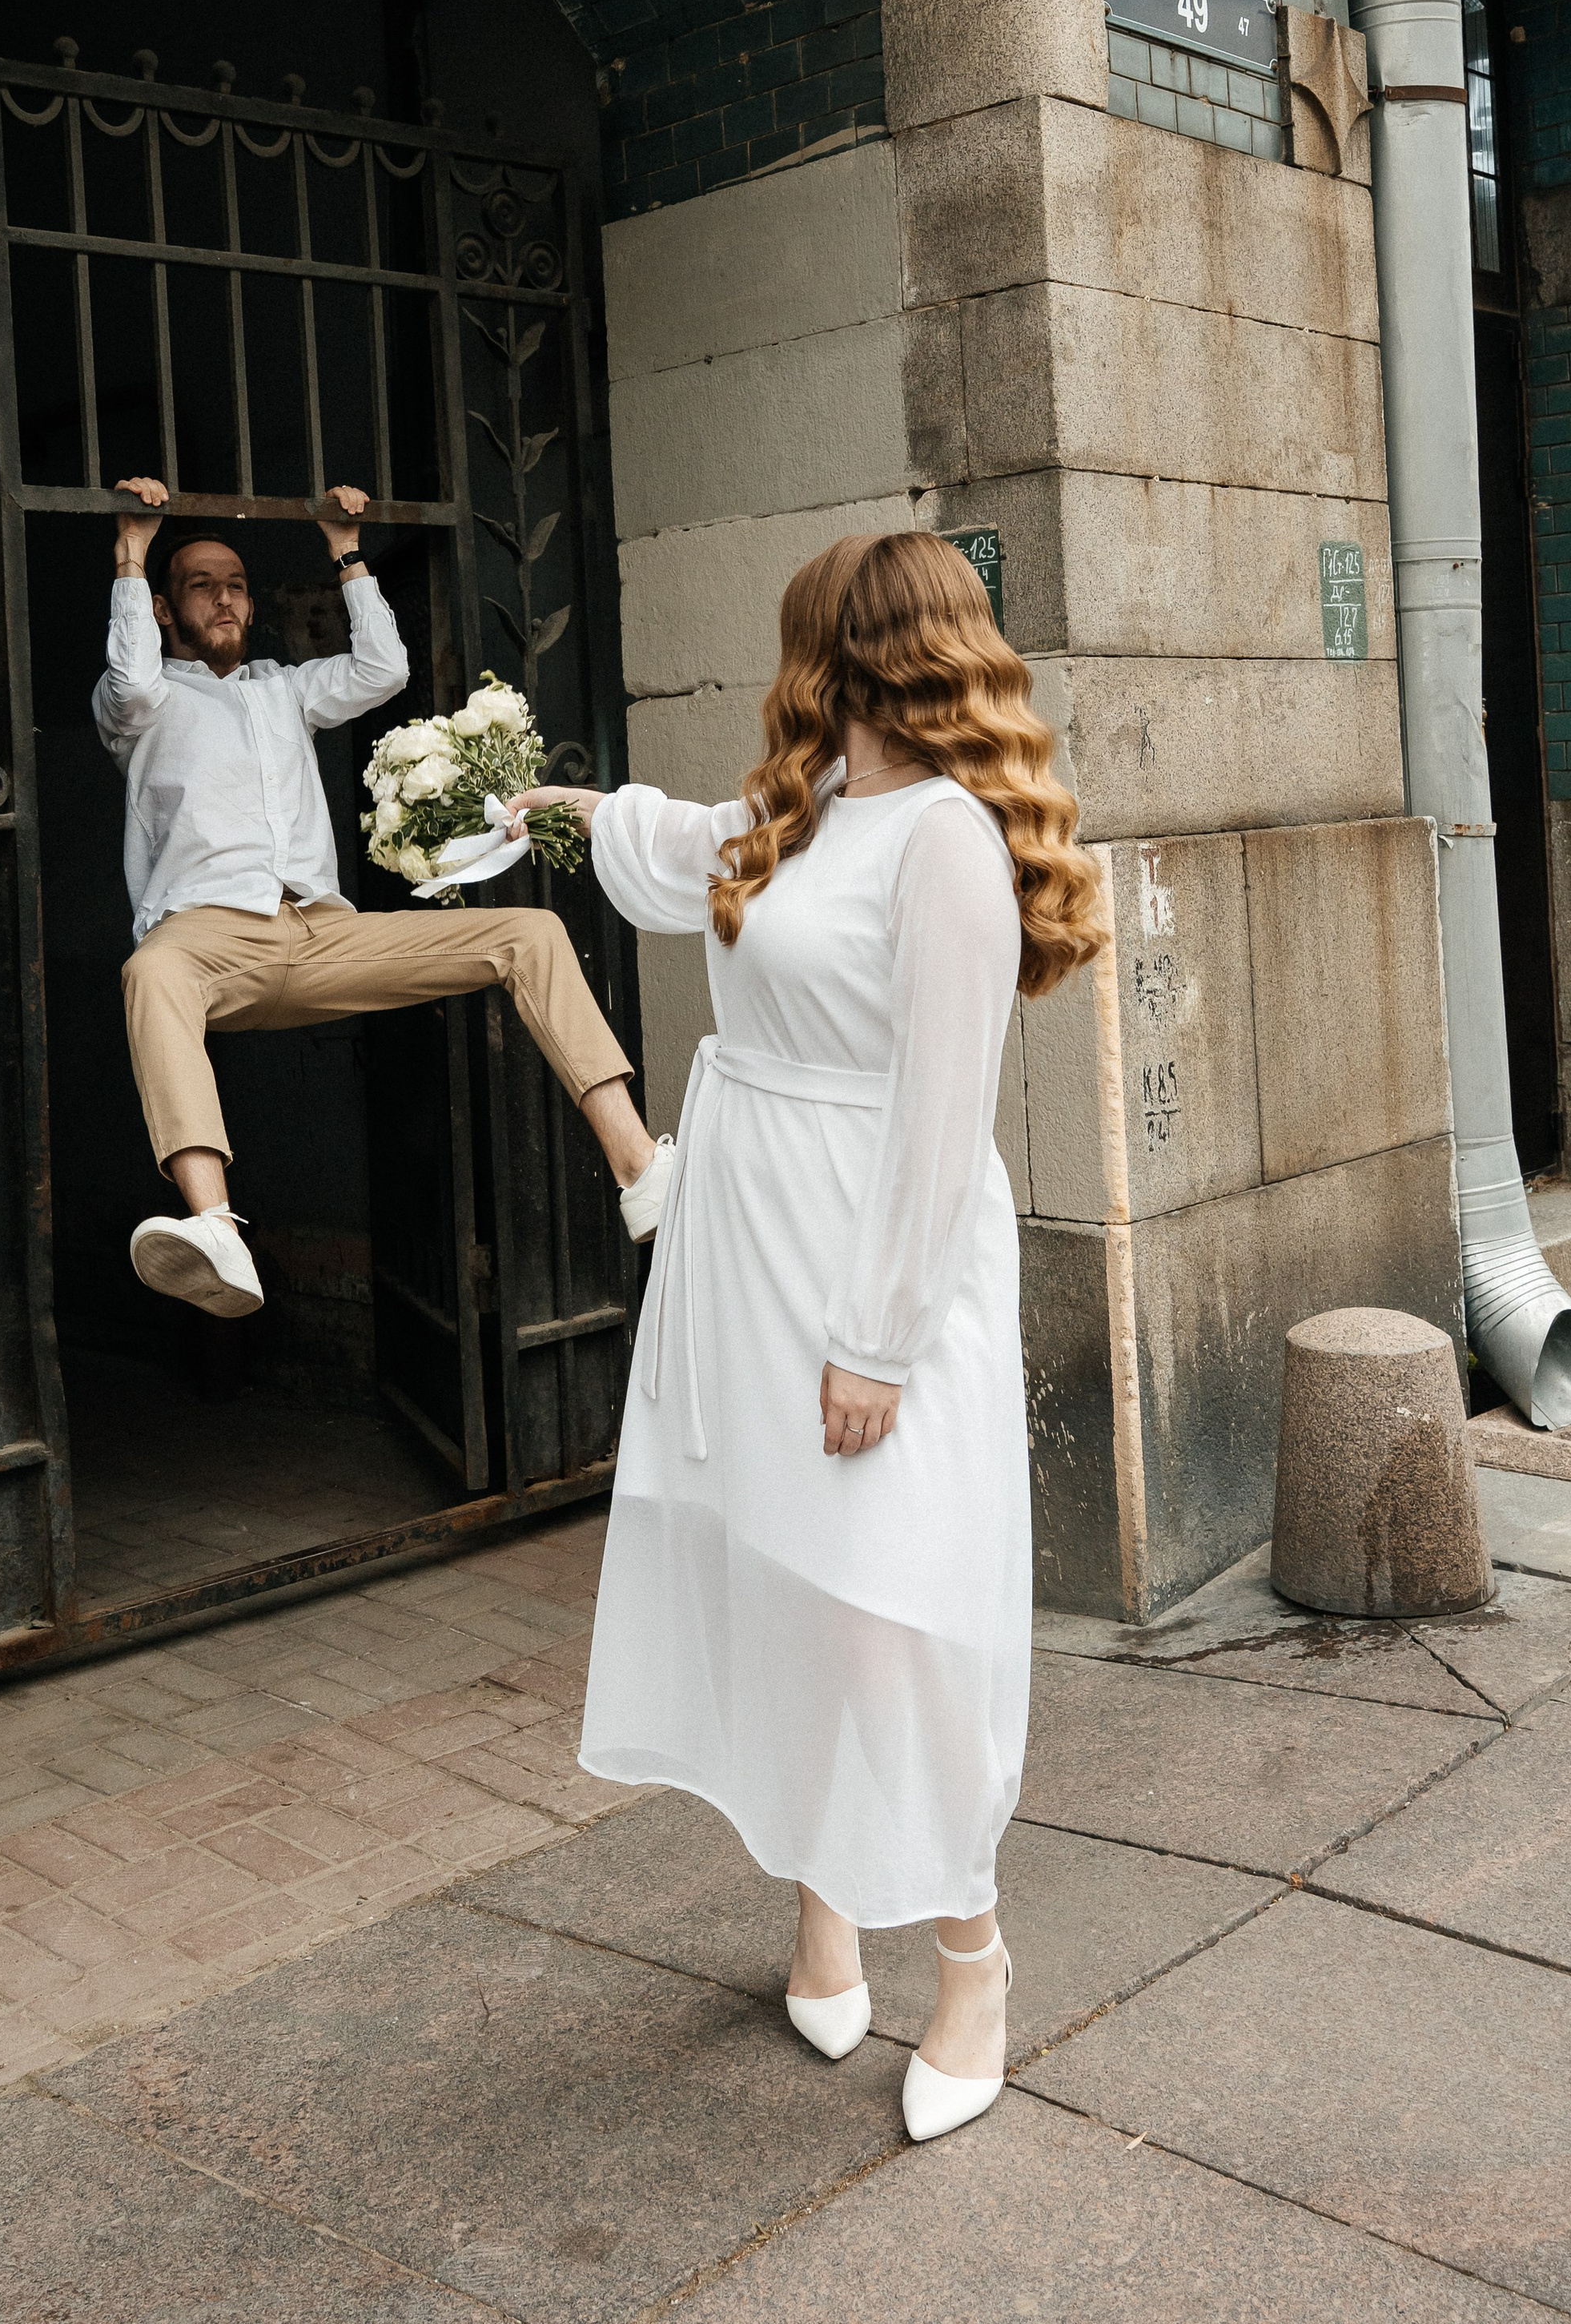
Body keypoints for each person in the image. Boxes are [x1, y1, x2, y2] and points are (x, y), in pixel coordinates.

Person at [508, 529, 1105, 2143]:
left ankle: (969, 1956)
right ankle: (824, 1904)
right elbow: (671, 844)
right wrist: (547, 806)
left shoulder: (945, 845)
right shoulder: (799, 813)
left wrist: (878, 1342)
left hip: (866, 1266)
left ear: (843, 650)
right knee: (778, 1578)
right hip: (742, 1245)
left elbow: (935, 1118)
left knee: (887, 1613)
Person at [96, 476, 673, 1317]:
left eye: (234, 585)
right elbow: (131, 680)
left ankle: (637, 1169)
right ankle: (215, 1223)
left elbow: (383, 668)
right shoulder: (136, 704)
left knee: (533, 931)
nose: (222, 598)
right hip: (212, 941)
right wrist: (129, 549)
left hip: (326, 935)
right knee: (151, 972)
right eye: (199, 586)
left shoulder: (282, 689)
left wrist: (346, 552)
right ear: (161, 608)